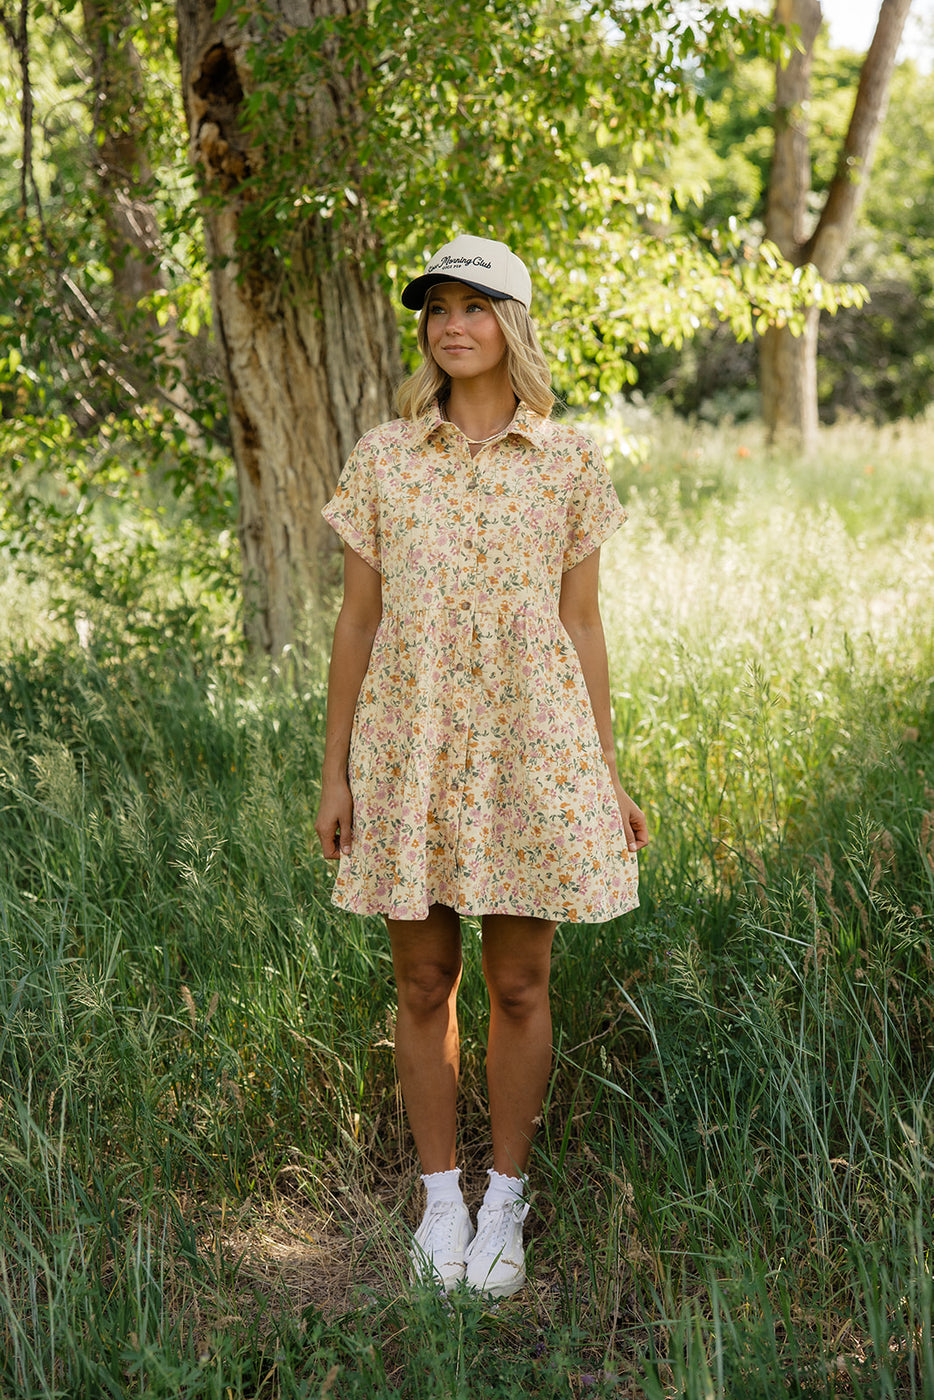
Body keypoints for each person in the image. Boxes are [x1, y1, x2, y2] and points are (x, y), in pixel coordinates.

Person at [315, 234, 648, 1299]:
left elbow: (582, 623)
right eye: (437, 307)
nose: (452, 324)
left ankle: (505, 1194)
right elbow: (357, 621)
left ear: (514, 321)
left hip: (529, 746)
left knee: (517, 980)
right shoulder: (383, 455)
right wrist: (335, 772)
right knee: (421, 979)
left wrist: (604, 770)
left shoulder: (571, 458)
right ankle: (439, 1197)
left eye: (476, 305)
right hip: (406, 747)